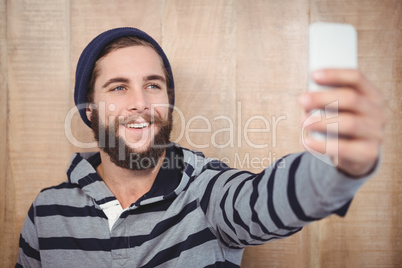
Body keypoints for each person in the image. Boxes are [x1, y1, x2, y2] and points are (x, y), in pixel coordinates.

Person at [16, 27, 385, 268]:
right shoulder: (47, 214)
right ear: (90, 110)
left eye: (153, 85)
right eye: (118, 87)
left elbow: (265, 200)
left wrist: (338, 164)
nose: (140, 102)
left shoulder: (207, 190)